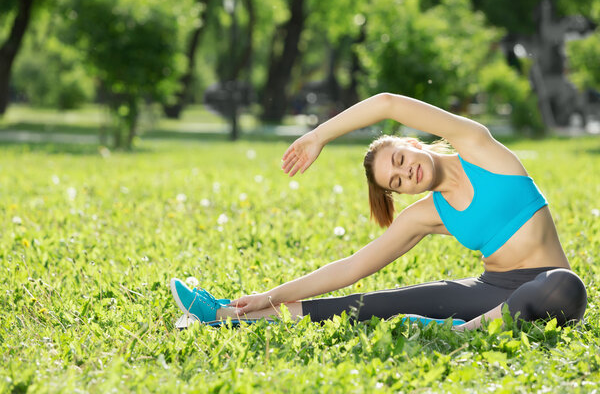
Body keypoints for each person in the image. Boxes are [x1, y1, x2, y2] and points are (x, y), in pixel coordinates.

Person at [170, 93, 587, 330]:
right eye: (397, 182)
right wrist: (270, 294)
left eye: (402, 160)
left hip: (547, 291)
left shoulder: (478, 146)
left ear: (415, 144)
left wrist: (319, 135)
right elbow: (352, 268)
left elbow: (387, 102)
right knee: (371, 303)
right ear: (401, 194)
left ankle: (461, 334)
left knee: (565, 286)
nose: (407, 173)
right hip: (489, 292)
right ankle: (228, 315)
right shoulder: (426, 215)